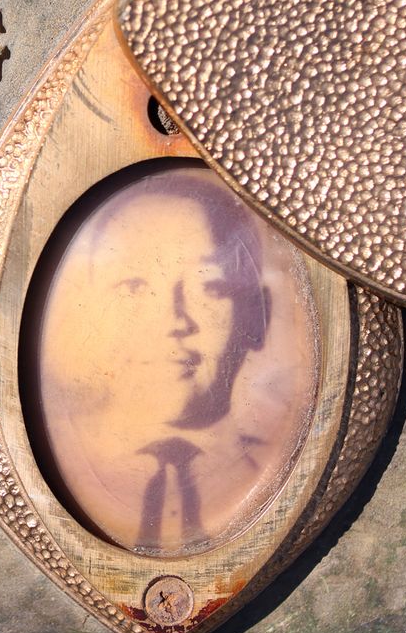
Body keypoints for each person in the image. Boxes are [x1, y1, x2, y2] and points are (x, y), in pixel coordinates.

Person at [28, 162, 317, 556]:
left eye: (208, 287)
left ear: (255, 316)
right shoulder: (57, 475)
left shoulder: (293, 477)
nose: (174, 320)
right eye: (133, 287)